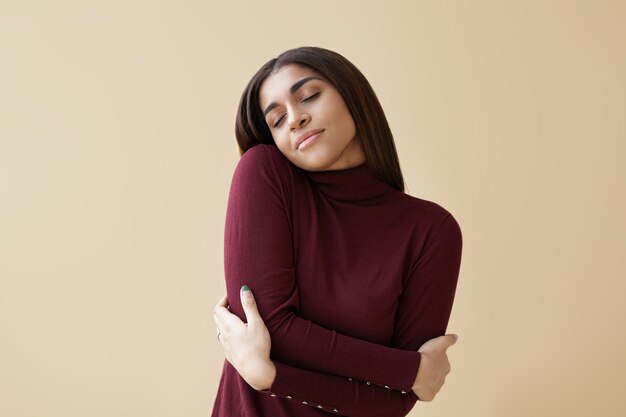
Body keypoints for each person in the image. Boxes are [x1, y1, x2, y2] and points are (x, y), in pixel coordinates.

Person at [211, 46, 463, 417]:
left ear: (353, 95)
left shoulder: (432, 231)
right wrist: (412, 370)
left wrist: (271, 376)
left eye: (309, 96)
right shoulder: (264, 174)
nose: (294, 119)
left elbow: (396, 402)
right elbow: (271, 328)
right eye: (277, 120)